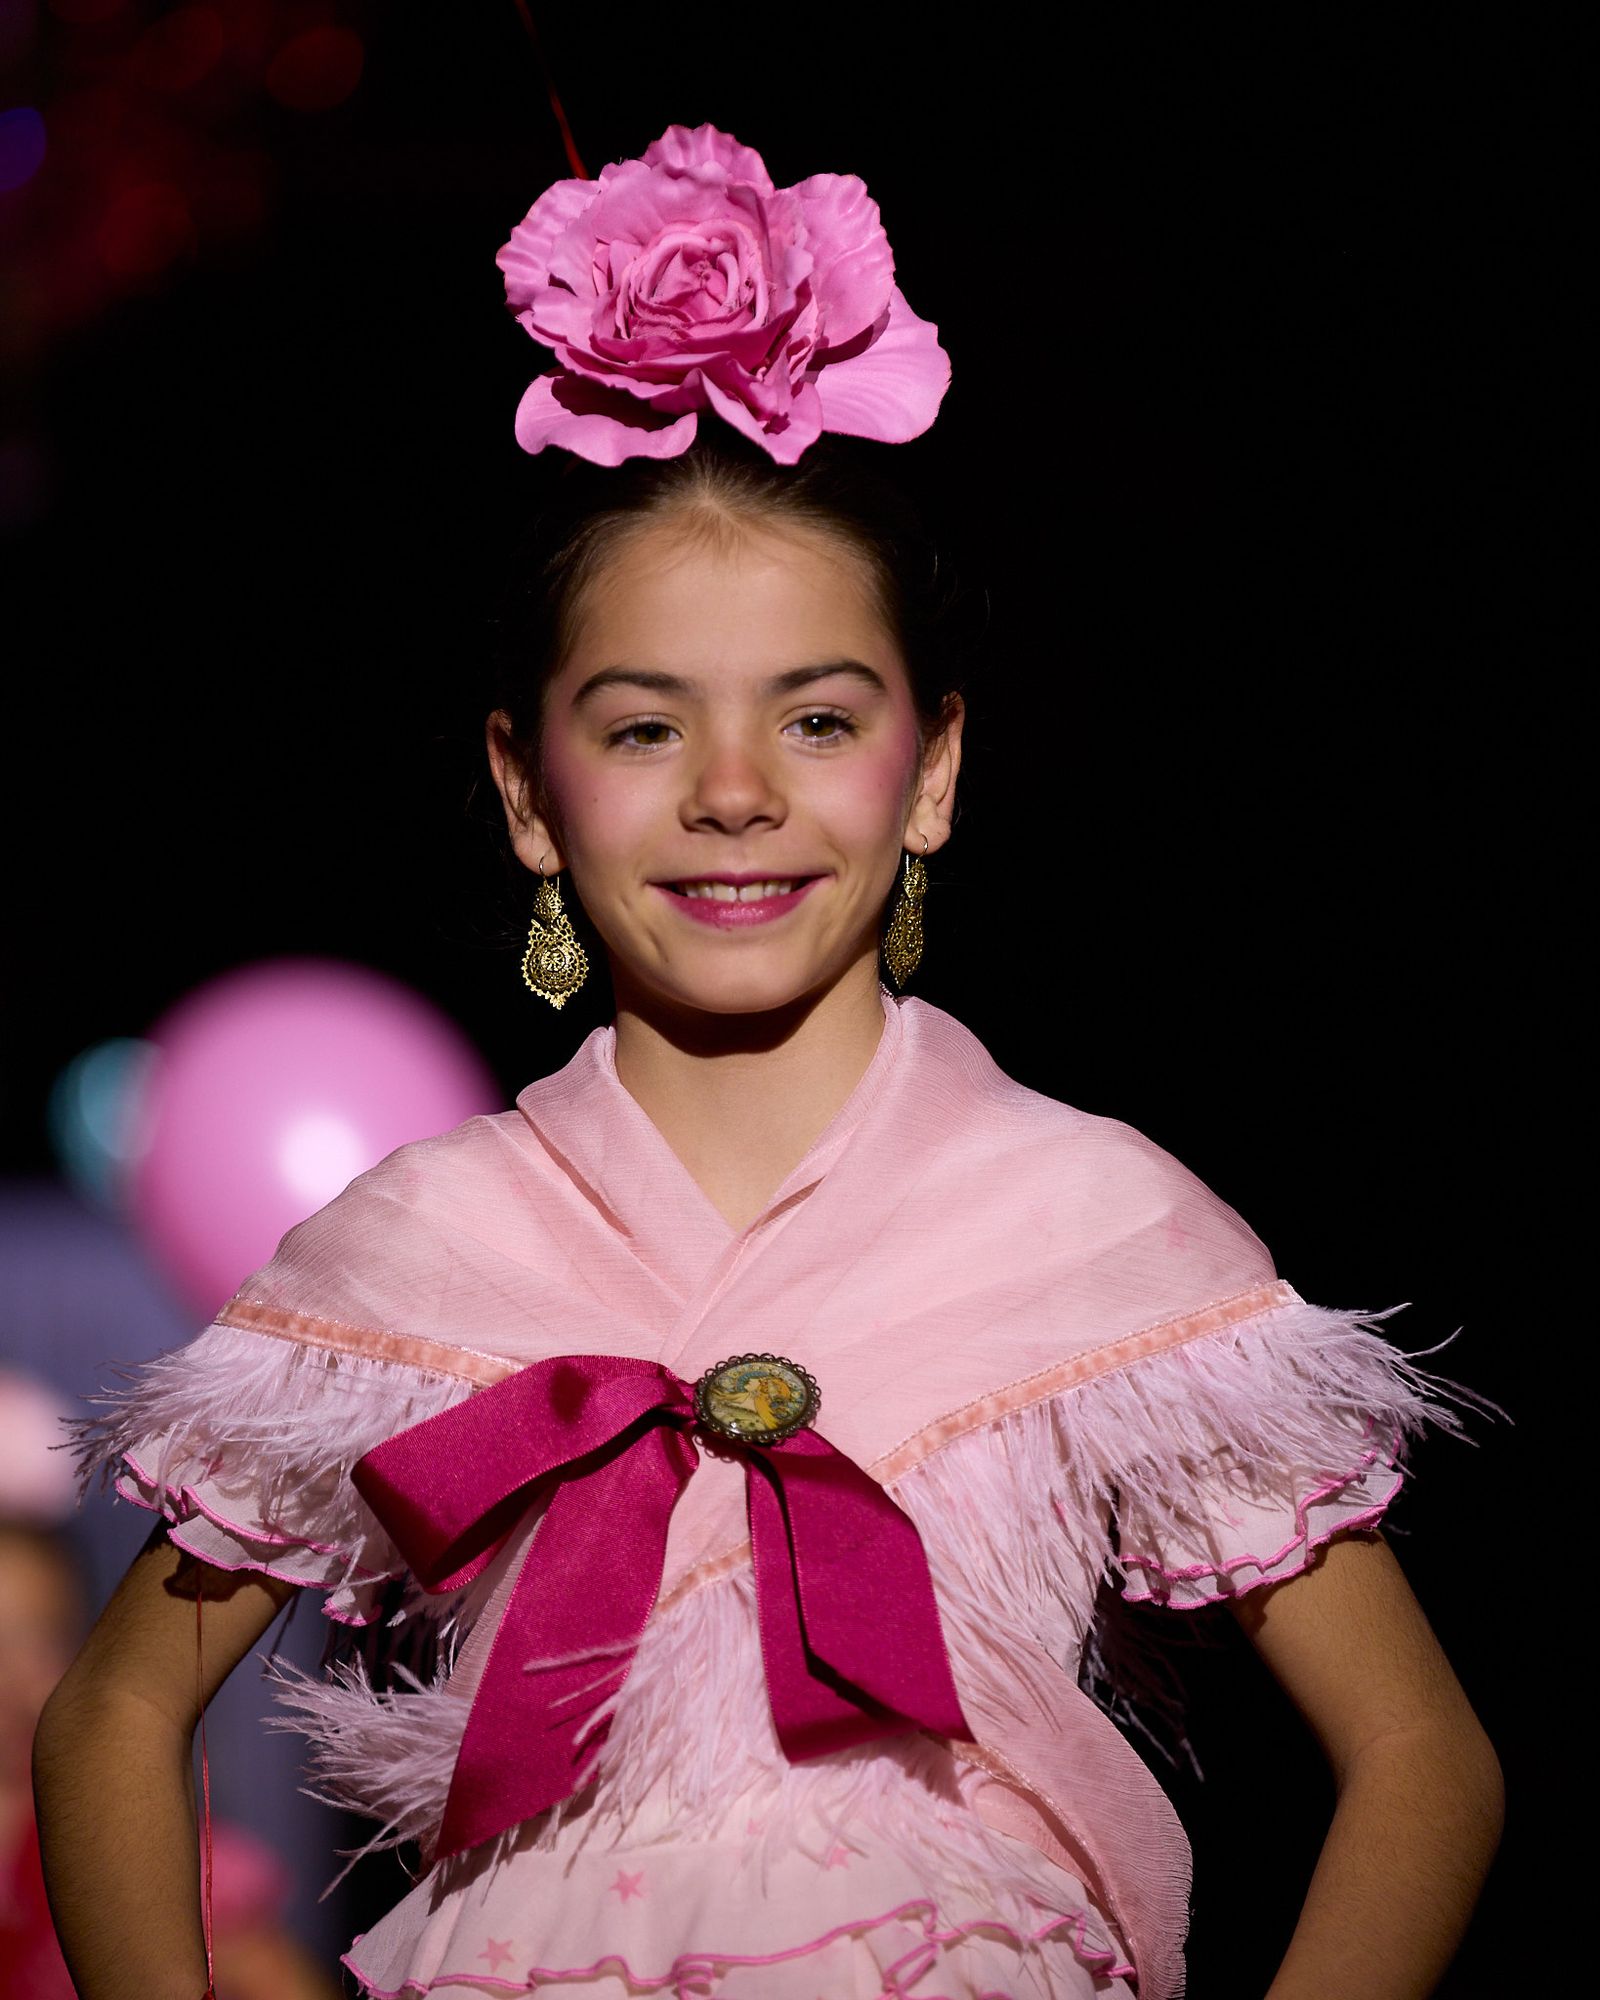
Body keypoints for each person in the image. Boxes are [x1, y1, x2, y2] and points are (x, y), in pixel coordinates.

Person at [34, 125, 1502, 1999]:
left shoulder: (1080, 1219)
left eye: (818, 717)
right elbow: (107, 1720)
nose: (736, 795)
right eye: (646, 728)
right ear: (526, 794)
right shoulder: (420, 1244)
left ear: (936, 768)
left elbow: (1423, 1755)